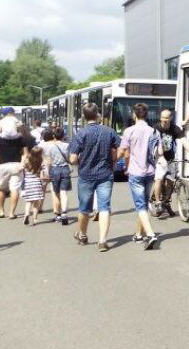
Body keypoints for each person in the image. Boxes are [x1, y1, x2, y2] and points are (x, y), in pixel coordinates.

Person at [68, 103, 121, 252]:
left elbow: (72, 159)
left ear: (84, 117)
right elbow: (118, 150)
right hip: (105, 174)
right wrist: (113, 161)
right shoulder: (109, 131)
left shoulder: (81, 134)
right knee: (104, 207)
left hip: (86, 175)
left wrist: (82, 161)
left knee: (84, 208)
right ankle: (103, 240)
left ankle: (83, 234)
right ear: (97, 114)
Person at [119, 103, 160, 249]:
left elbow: (122, 150)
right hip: (150, 172)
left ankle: (150, 235)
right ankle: (138, 234)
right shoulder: (155, 132)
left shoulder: (129, 131)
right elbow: (160, 152)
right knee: (143, 203)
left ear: (134, 115)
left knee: (140, 205)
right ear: (147, 115)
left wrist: (114, 160)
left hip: (136, 172)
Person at [152, 109, 189, 216]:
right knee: (159, 178)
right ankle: (157, 203)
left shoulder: (175, 128)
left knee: (170, 182)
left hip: (170, 158)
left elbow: (184, 142)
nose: (164, 120)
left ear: (171, 118)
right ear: (160, 118)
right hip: (159, 158)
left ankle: (166, 202)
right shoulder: (155, 128)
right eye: (163, 117)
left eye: (167, 118)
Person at [0, 123, 30, 219]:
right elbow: (26, 153)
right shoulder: (21, 139)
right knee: (14, 189)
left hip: (3, 166)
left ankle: (1, 211)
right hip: (16, 165)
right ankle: (12, 213)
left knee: (1, 189)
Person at [41, 128, 71, 225]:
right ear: (63, 136)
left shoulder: (51, 147)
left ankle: (57, 214)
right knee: (64, 193)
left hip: (55, 169)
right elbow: (71, 158)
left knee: (56, 192)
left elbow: (49, 161)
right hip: (65, 169)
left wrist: (48, 172)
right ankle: (64, 213)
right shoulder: (67, 146)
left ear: (54, 136)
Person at [19, 147, 46, 226]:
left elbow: (21, 168)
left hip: (28, 183)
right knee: (36, 203)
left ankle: (26, 214)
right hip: (37, 183)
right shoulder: (40, 162)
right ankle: (35, 219)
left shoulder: (27, 161)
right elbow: (41, 176)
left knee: (28, 201)